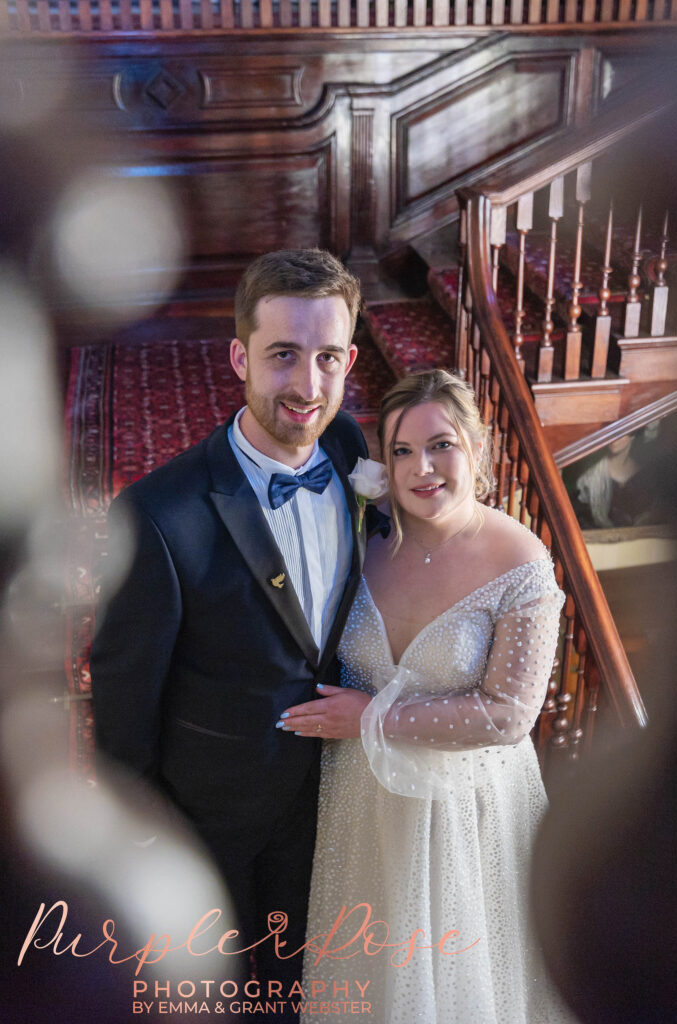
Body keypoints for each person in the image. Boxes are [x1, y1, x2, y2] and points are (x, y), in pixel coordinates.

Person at [89, 248, 369, 1018]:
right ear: (240, 355)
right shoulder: (158, 514)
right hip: (217, 816)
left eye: (327, 358)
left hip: (340, 799)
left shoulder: (356, 455)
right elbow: (121, 695)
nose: (309, 387)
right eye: (283, 356)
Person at [280, 369, 575, 1023]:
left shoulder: (520, 561)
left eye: (442, 444)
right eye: (403, 451)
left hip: (462, 811)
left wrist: (372, 716)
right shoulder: (365, 539)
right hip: (361, 802)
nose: (424, 469)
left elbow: (509, 716)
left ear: (476, 445)